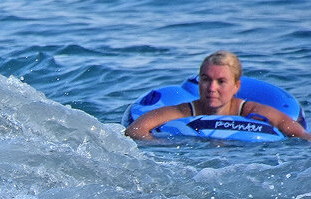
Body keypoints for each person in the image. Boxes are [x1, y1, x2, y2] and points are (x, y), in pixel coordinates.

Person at [125, 50, 310, 141]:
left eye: (221, 81)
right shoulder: (183, 111)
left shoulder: (252, 110)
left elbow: (301, 135)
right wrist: (163, 146)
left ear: (236, 86)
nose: (211, 88)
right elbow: (134, 130)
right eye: (206, 80)